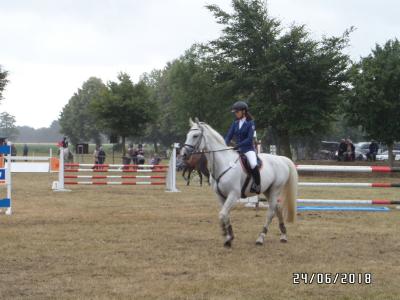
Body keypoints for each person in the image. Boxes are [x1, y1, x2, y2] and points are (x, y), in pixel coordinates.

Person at [225, 101, 260, 194]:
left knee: (253, 164)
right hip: (237, 149)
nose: (235, 114)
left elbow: (249, 139)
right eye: (235, 112)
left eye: (237, 112)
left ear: (243, 111)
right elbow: (229, 135)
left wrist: (238, 145)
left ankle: (257, 184)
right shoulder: (235, 123)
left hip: (248, 149)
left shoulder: (250, 123)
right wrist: (224, 144)